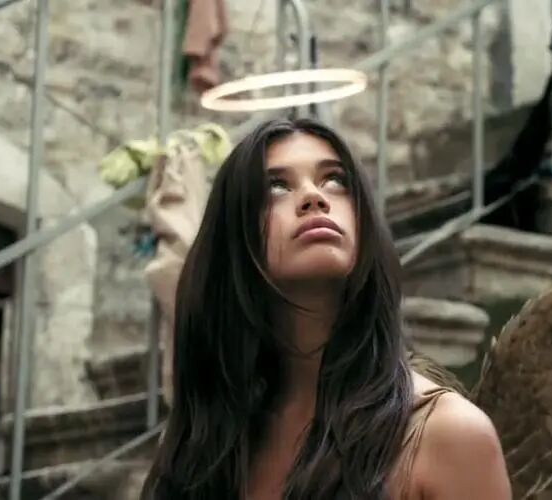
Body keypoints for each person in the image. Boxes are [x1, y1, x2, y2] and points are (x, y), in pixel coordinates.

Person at [140, 118, 512, 499]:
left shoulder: (447, 434)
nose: (313, 197)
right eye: (276, 187)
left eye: (334, 180)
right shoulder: (206, 445)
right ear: (233, 237)